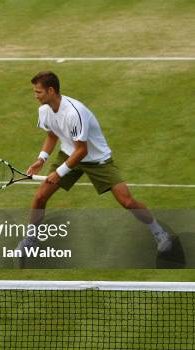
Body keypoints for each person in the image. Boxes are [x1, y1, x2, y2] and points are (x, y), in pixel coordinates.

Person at [20, 71, 172, 252]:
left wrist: (58, 172)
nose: (35, 96)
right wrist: (41, 159)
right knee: (40, 197)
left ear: (51, 91)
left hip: (96, 159)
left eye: (38, 92)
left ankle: (159, 232)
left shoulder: (74, 113)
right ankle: (31, 239)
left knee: (128, 202)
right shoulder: (44, 110)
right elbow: (52, 135)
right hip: (69, 154)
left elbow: (82, 151)